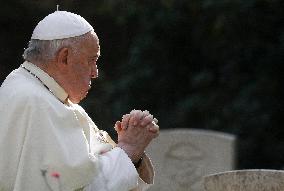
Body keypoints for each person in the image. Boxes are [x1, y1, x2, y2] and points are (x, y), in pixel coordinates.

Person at [0, 11, 159, 191]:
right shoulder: (35, 102)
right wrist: (129, 149)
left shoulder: (35, 91)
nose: (95, 72)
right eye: (92, 60)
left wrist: (127, 154)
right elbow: (78, 187)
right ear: (64, 57)